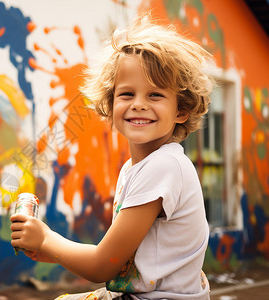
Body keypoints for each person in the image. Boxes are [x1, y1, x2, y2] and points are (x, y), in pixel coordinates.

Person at [11, 14, 213, 300]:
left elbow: (102, 266)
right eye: (127, 94)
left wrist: (47, 238)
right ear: (110, 104)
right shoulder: (136, 168)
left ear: (181, 110)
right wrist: (52, 252)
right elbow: (121, 260)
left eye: (155, 95)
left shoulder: (164, 166)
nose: (139, 104)